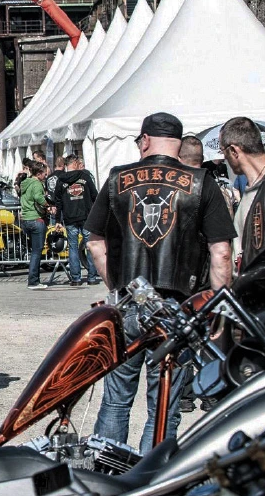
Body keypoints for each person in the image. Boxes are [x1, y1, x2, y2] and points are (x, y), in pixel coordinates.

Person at [85, 112, 235, 452]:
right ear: (179, 144)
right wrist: (216, 310)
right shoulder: (201, 181)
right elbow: (221, 253)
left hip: (129, 303)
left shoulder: (116, 178)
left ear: (145, 140)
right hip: (177, 309)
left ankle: (107, 476)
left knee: (116, 400)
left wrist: (117, 286)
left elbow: (95, 243)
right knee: (164, 406)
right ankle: (151, 480)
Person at [220, 117, 265, 271]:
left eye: (223, 151)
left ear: (234, 151)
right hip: (247, 292)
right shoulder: (253, 190)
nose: (224, 158)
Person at [50, 155, 100, 286]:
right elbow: (95, 195)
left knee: (73, 247)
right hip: (86, 216)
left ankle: (76, 278)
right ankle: (92, 277)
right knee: (89, 246)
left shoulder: (61, 180)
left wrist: (58, 220)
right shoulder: (85, 177)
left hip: (69, 217)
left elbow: (58, 202)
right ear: (76, 163)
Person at [20, 161, 49, 290]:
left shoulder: (25, 183)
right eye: (44, 174)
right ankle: (33, 281)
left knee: (34, 251)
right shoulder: (37, 184)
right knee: (37, 252)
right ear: (38, 174)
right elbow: (39, 198)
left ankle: (34, 279)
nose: (46, 176)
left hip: (26, 219)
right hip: (36, 219)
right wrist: (48, 204)